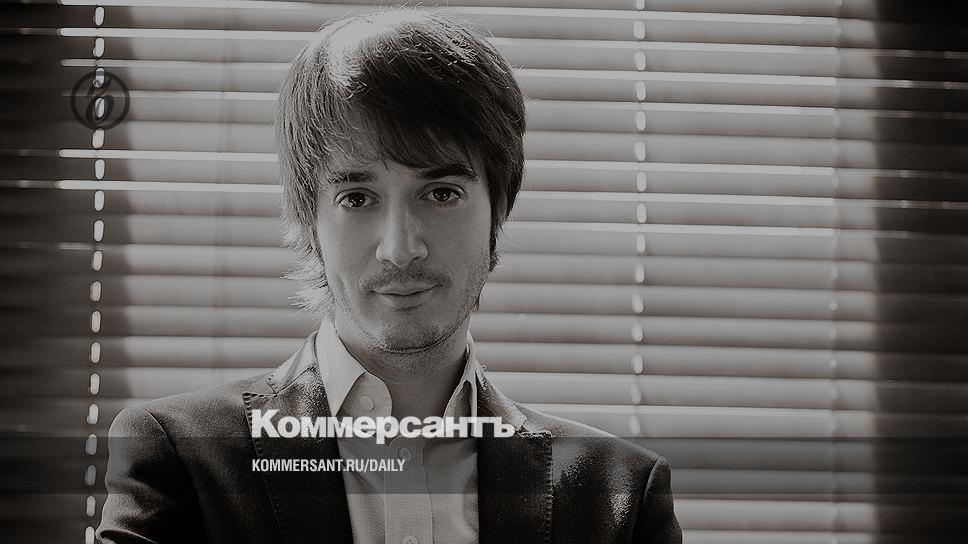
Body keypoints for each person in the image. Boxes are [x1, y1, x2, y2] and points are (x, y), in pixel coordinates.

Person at [97, 9, 681, 544]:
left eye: (442, 192)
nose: (400, 249)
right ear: (309, 219)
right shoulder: (180, 461)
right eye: (357, 198)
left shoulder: (620, 498)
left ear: (499, 209)